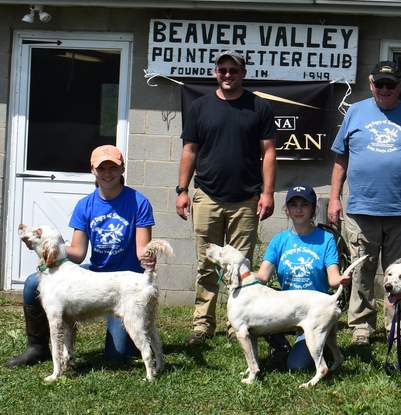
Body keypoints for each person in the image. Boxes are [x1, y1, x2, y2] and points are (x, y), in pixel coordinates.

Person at [6, 145, 158, 367]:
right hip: (95, 273)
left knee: (116, 358)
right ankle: (37, 347)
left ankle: (134, 341)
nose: (107, 173)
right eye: (102, 168)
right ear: (93, 171)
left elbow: (141, 250)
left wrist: (148, 257)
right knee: (31, 284)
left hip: (124, 283)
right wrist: (46, 246)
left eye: (113, 168)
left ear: (122, 168)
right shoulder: (84, 206)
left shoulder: (139, 202)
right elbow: (77, 253)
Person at [328, 60, 401, 345]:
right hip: (361, 210)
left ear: (400, 86)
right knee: (361, 269)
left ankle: (397, 327)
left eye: (391, 84)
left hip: (400, 212)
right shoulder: (355, 112)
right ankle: (361, 325)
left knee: (400, 273)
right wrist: (335, 197)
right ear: (372, 84)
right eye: (379, 84)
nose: (385, 89)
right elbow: (341, 159)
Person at [177, 50, 277, 346]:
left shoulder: (259, 107)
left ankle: (237, 324)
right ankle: (202, 325)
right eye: (223, 69)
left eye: (234, 70)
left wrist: (268, 192)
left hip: (246, 199)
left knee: (241, 266)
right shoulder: (199, 107)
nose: (228, 74)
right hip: (206, 196)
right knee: (206, 266)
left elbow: (269, 152)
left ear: (243, 73)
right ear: (215, 72)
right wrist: (182, 190)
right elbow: (189, 150)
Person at [254, 185, 349, 370]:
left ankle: (321, 343)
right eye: (293, 205)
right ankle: (281, 347)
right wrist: (241, 275)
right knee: (257, 304)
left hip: (313, 311)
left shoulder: (326, 239)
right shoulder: (279, 240)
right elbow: (263, 276)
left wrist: (342, 279)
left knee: (298, 366)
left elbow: (332, 279)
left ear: (313, 209)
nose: (298, 209)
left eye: (304, 205)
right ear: (287, 210)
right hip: (287, 309)